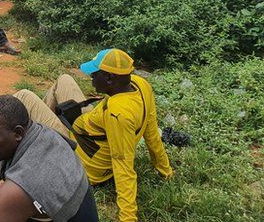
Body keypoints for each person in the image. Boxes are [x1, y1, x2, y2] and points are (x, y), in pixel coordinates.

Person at [13, 48, 174, 222]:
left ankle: (18, 139)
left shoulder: (118, 115)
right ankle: (42, 138)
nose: (91, 78)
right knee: (65, 79)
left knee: (24, 96)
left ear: (110, 78)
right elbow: (152, 133)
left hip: (80, 158)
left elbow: (123, 165)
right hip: (86, 128)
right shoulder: (140, 85)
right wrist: (165, 170)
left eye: (95, 74)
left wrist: (128, 218)